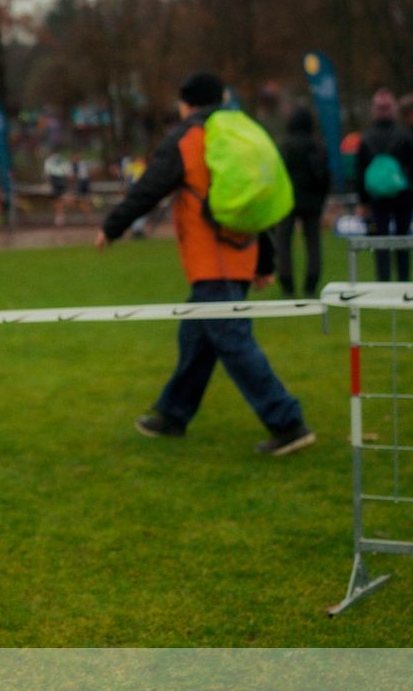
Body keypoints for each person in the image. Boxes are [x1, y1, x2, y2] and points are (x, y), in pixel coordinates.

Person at [96, 71, 314, 457]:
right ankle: (172, 415)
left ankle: (286, 421)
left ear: (186, 103)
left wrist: (112, 227)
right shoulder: (237, 133)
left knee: (232, 341)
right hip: (239, 253)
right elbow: (250, 200)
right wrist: (263, 261)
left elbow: (149, 188)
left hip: (212, 260)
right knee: (196, 339)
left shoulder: (189, 138)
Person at [355, 89, 413, 283]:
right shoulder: (403, 134)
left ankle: (383, 278)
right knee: (403, 238)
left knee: (380, 237)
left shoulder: (367, 137)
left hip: (377, 195)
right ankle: (404, 279)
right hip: (403, 193)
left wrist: (362, 201)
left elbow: (360, 171)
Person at [274, 105, 331, 297]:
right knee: (313, 244)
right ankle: (310, 284)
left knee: (283, 244)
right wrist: (321, 201)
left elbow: (276, 175)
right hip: (312, 202)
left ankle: (287, 284)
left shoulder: (284, 145)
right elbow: (325, 177)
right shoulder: (317, 145)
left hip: (287, 202)